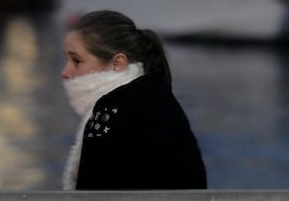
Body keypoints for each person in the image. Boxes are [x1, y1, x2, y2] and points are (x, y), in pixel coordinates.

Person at [61, 10, 207, 190]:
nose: (65, 72)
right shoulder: (158, 97)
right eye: (66, 59)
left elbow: (90, 191)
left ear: (117, 63)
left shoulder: (110, 110)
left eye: (76, 61)